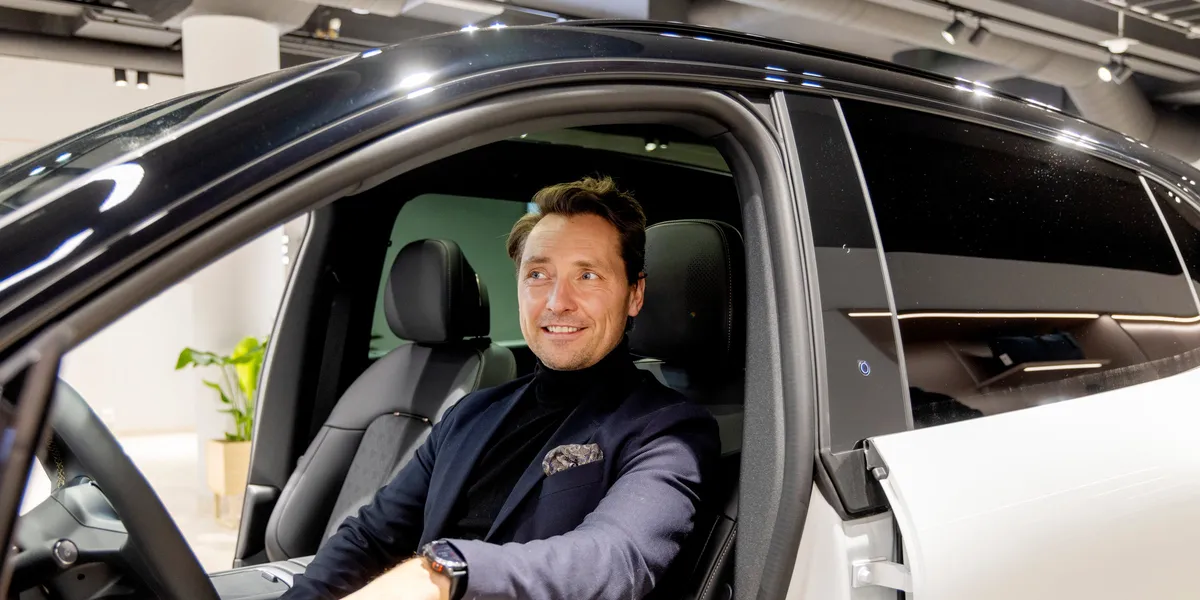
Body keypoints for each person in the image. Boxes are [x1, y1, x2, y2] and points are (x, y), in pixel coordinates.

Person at [283, 176, 720, 600]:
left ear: (634, 294)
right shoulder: (470, 413)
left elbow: (616, 561)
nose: (557, 302)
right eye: (538, 274)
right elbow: (371, 537)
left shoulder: (669, 430)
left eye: (587, 276)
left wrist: (442, 574)